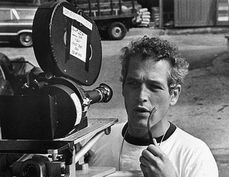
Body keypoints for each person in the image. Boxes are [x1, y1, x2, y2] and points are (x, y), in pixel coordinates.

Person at [89, 36, 219, 177]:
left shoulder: (194, 156)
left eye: (154, 87)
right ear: (123, 88)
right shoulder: (97, 142)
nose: (141, 96)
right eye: (133, 84)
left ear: (173, 95)